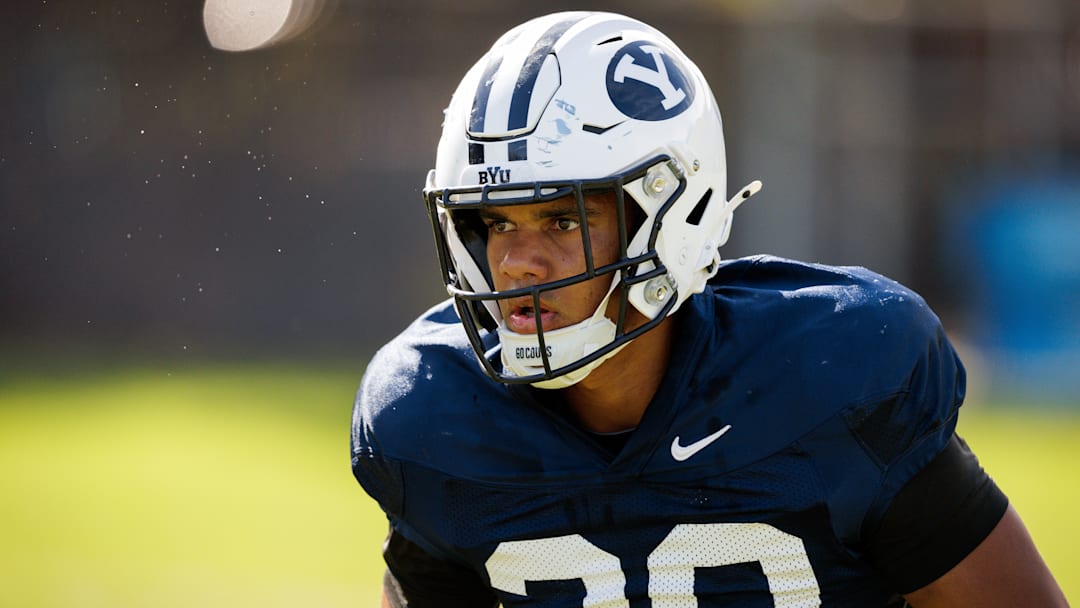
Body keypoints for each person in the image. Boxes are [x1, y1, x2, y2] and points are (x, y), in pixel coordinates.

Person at [351, 11, 1068, 607]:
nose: (516, 263)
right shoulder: (433, 418)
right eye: (496, 223)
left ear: (675, 213)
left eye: (562, 221)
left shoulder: (826, 380)